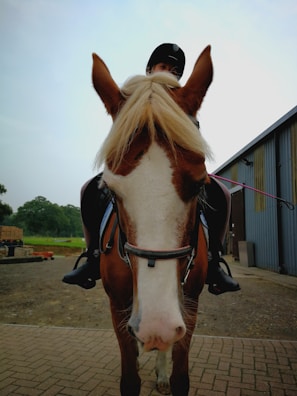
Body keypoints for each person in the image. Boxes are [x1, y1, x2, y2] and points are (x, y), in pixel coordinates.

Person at [62, 43, 240, 295]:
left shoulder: (185, 102)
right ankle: (92, 255)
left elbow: (193, 144)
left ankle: (213, 260)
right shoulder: (132, 98)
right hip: (135, 169)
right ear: (150, 69)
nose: (170, 71)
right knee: (88, 190)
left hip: (172, 173)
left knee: (222, 194)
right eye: (164, 66)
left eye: (175, 69)